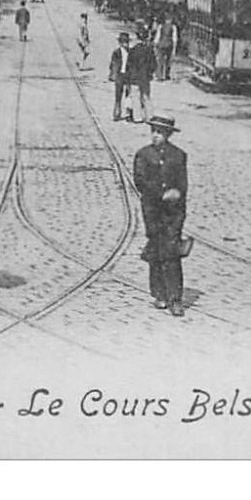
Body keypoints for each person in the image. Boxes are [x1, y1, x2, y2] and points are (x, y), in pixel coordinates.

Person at [133, 114, 188, 317]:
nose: (155, 136)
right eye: (153, 132)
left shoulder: (179, 156)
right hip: (153, 211)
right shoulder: (143, 155)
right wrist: (160, 194)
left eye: (160, 133)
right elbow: (140, 182)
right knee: (156, 251)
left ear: (168, 135)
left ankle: (175, 298)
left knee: (172, 253)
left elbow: (183, 184)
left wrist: (177, 196)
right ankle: (159, 294)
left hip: (173, 213)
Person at [128, 29, 155, 122]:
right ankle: (149, 116)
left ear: (137, 38)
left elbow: (129, 65)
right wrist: (150, 73)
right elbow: (153, 64)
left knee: (135, 96)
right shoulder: (149, 50)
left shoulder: (133, 50)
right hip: (145, 77)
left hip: (134, 77)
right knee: (146, 96)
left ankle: (137, 117)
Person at [108, 32, 134, 121]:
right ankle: (117, 113)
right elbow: (113, 64)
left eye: (126, 42)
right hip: (119, 75)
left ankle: (128, 114)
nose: (125, 44)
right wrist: (113, 75)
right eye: (123, 42)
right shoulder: (116, 52)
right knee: (118, 95)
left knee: (129, 95)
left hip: (128, 75)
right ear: (120, 43)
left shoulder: (131, 52)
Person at [154, 17, 177, 81]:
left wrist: (155, 44)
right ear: (171, 20)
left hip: (161, 45)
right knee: (168, 60)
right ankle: (167, 74)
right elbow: (174, 38)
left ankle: (160, 76)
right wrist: (174, 48)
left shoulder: (161, 26)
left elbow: (157, 36)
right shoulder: (173, 27)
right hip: (169, 45)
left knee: (160, 60)